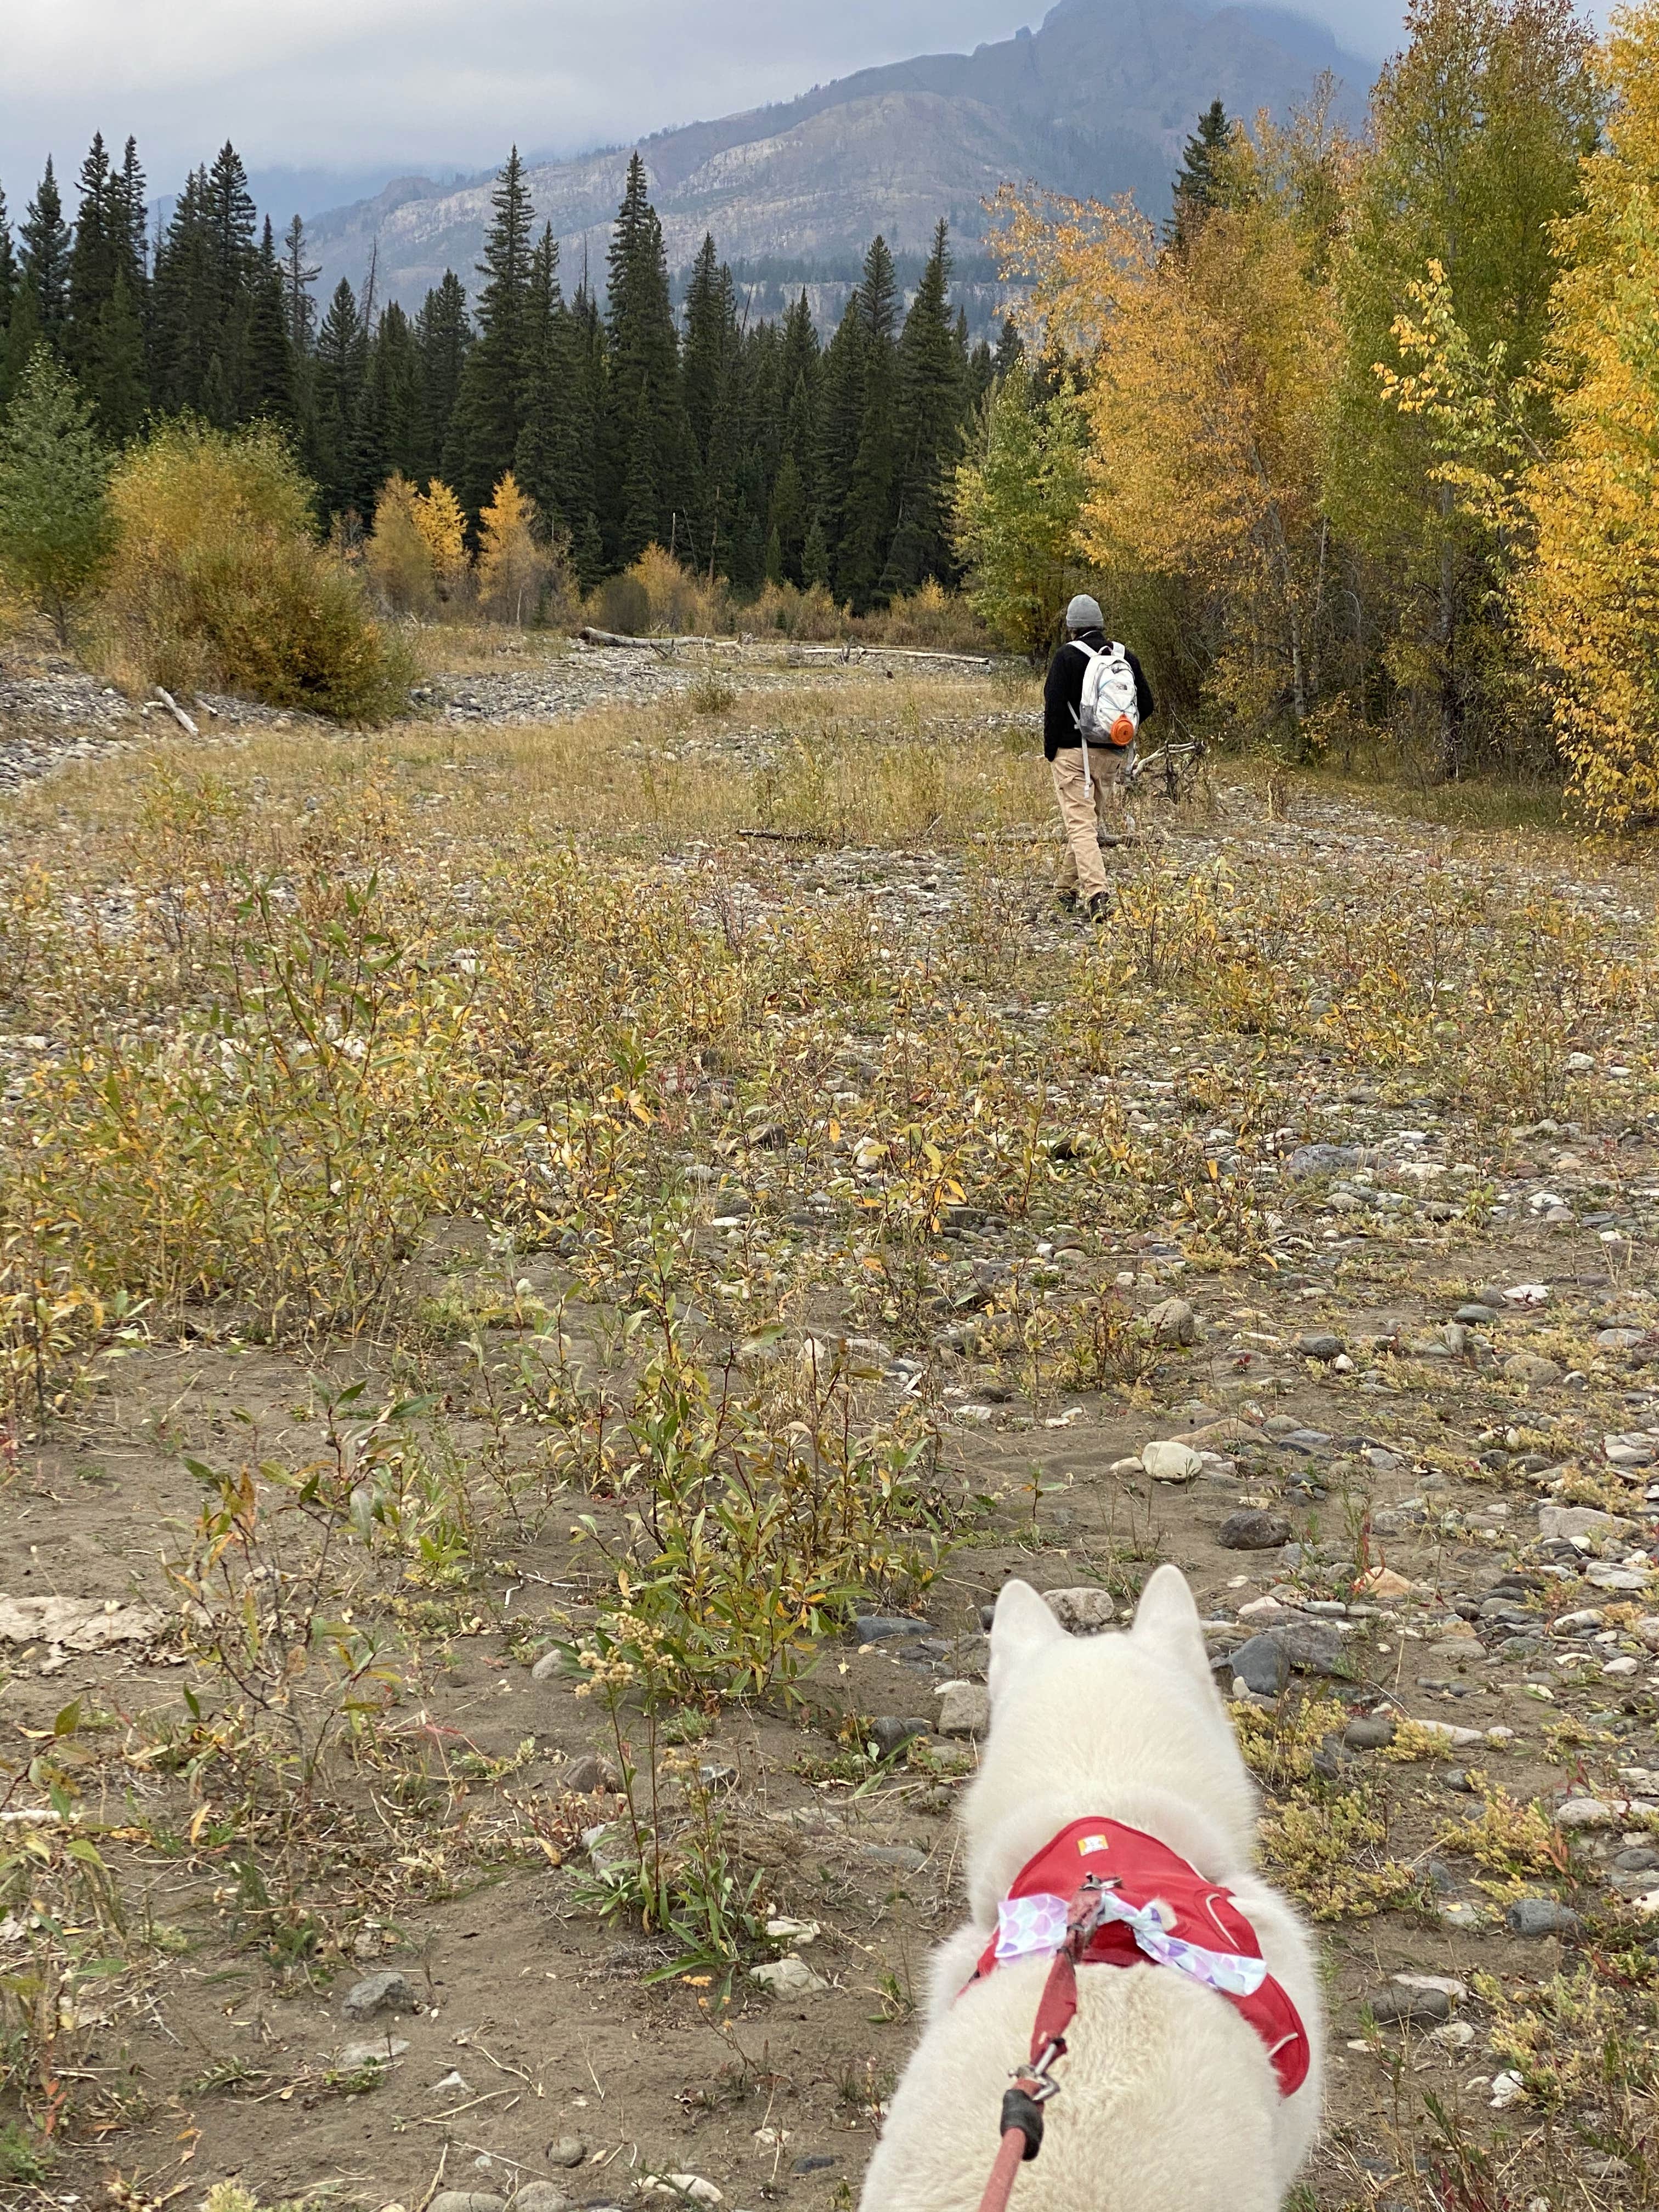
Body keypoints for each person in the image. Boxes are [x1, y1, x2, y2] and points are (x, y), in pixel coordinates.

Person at [1043, 593, 1155, 920]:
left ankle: (1098, 895)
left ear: (1071, 627)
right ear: (1101, 624)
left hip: (1072, 753)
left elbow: (1052, 707)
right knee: (1085, 825)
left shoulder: (1066, 657)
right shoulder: (1124, 657)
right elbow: (1146, 705)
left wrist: (1052, 751)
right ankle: (1064, 893)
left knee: (1080, 826)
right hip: (1111, 755)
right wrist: (1117, 735)